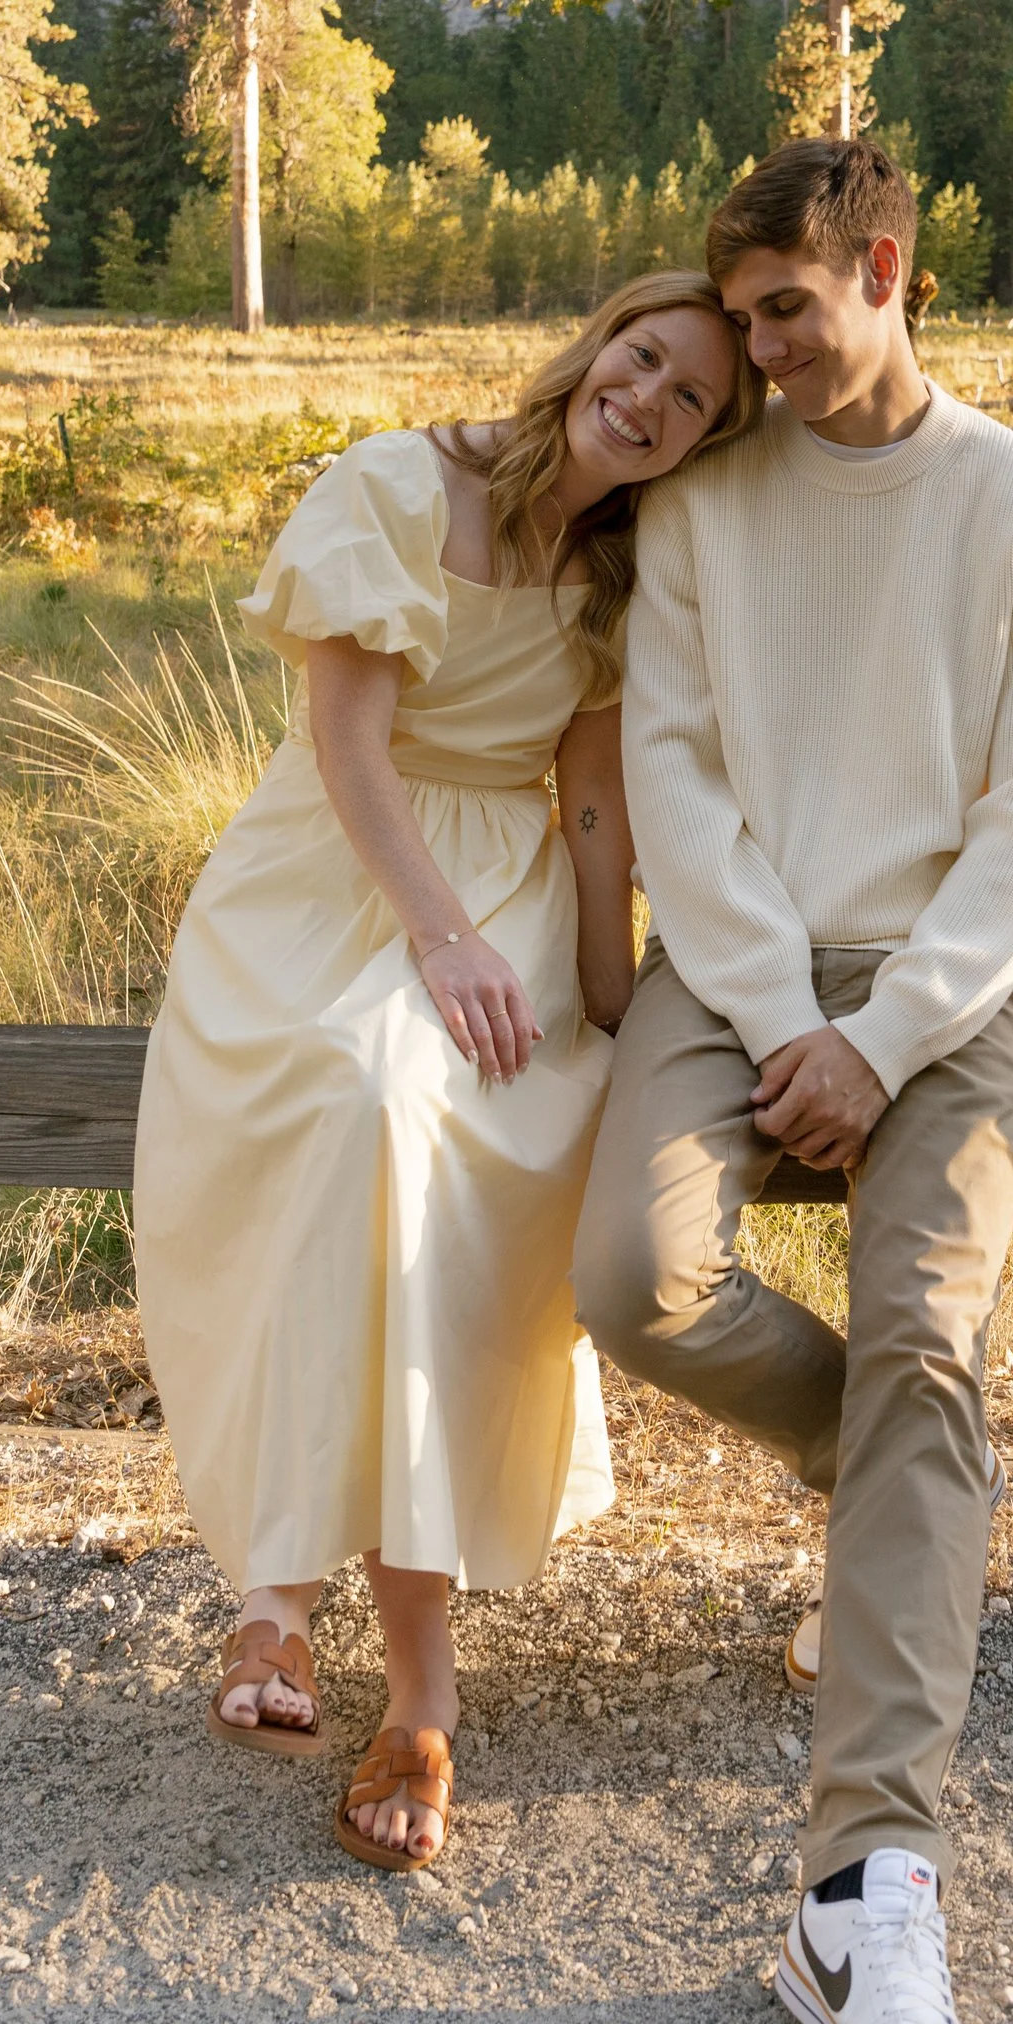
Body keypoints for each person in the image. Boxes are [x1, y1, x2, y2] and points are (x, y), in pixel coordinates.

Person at [574, 139, 1013, 2024]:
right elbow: (677, 770)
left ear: (881, 271)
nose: (756, 353)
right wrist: (779, 1013)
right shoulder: (709, 507)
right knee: (629, 1282)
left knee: (925, 1343)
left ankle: (862, 1896)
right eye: (739, 322)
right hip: (736, 972)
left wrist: (883, 1039)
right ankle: (886, 1489)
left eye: (787, 311)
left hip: (951, 999)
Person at [135, 273, 759, 1876]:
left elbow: (597, 802)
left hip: (509, 903)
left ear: (703, 439)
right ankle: (285, 1596)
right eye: (642, 361)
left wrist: (615, 1007)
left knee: (401, 1112)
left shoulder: (623, 568)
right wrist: (440, 943)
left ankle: (391, 1671)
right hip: (345, 879)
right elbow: (348, 745)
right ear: (594, 345)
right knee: (355, 1091)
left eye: (692, 401)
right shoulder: (400, 484)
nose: (650, 403)